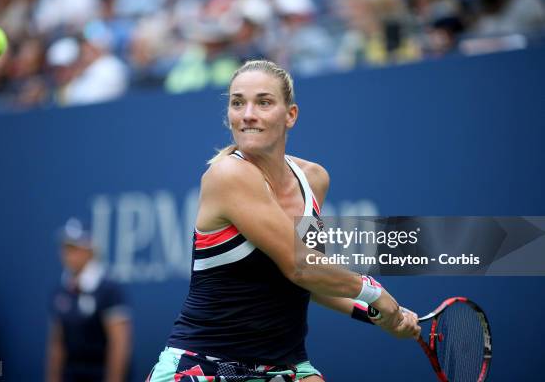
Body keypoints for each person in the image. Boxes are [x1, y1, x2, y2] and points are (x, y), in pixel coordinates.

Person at [147, 60, 420, 382]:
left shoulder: (313, 179)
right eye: (238, 103)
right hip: (203, 366)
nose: (248, 114)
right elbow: (300, 264)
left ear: (290, 115)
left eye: (263, 102)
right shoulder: (228, 174)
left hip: (285, 366)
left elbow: (311, 281)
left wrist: (380, 315)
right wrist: (376, 295)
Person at [46, 218, 132, 382]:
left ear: (90, 250)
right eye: (65, 248)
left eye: (74, 248)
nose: (68, 255)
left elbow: (119, 345)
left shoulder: (109, 290)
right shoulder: (60, 292)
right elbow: (57, 344)